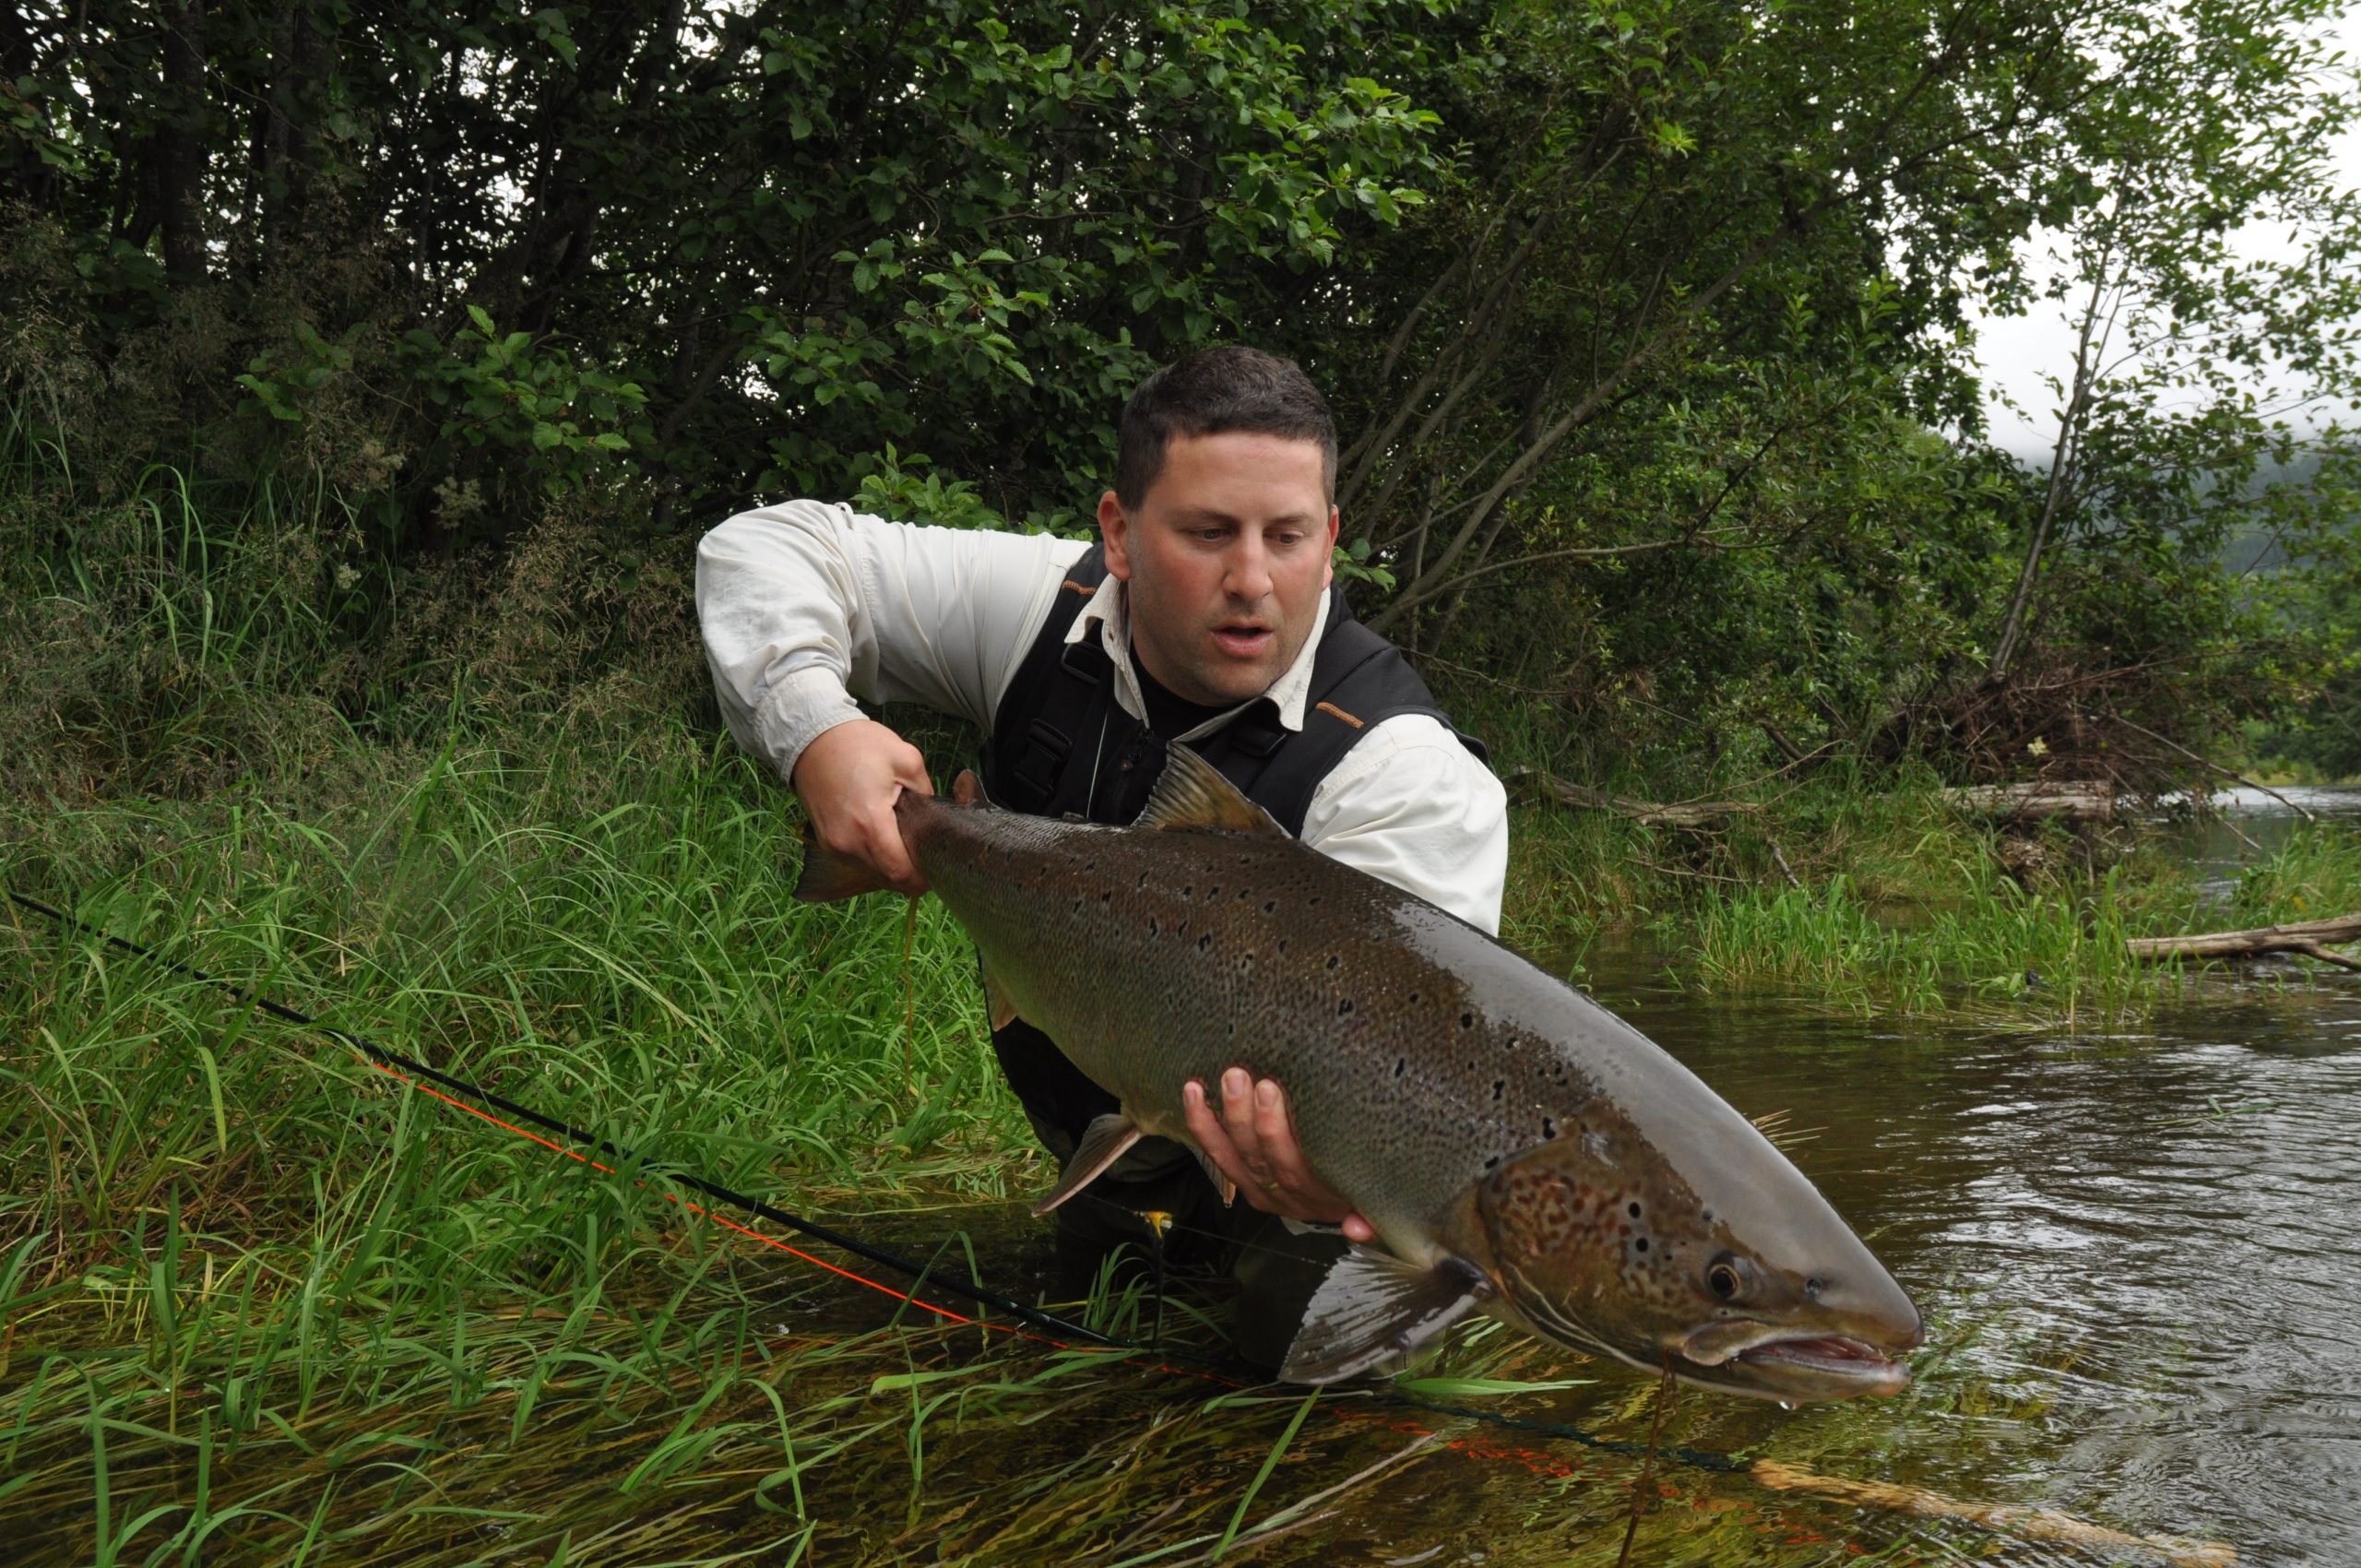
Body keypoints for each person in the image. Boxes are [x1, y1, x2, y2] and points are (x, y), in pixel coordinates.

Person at [696, 346, 1506, 1363]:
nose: (1251, 578)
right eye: (1208, 533)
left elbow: (1425, 1093)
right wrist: (817, 730)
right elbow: (760, 549)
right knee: (1102, 1309)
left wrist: (1355, 1172)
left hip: (1300, 1202)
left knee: (1314, 1375)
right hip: (1105, 1116)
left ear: (1332, 540)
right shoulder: (1042, 605)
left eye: (1287, 536)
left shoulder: (1409, 778)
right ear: (1119, 533)